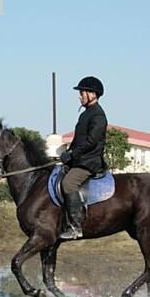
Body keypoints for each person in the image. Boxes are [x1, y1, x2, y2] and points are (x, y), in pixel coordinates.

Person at [59, 76, 107, 240]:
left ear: (92, 94)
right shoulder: (86, 114)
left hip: (89, 161)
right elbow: (78, 139)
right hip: (80, 159)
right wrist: (67, 153)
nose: (80, 96)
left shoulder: (98, 116)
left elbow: (91, 141)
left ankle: (75, 227)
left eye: (82, 93)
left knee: (68, 183)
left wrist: (73, 154)